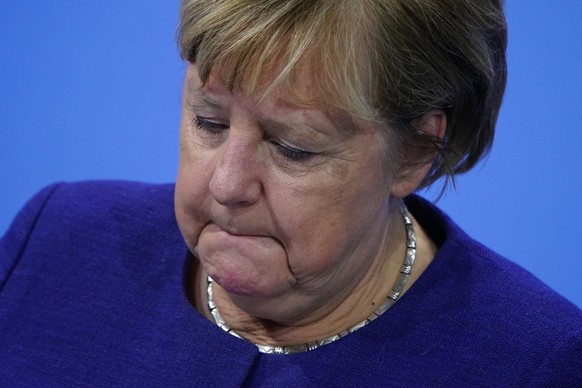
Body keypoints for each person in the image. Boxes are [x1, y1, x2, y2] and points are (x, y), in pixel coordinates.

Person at [1, 0, 581, 385]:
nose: (227, 186)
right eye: (209, 122)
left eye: (294, 148)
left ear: (414, 154)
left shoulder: (537, 362)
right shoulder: (55, 241)